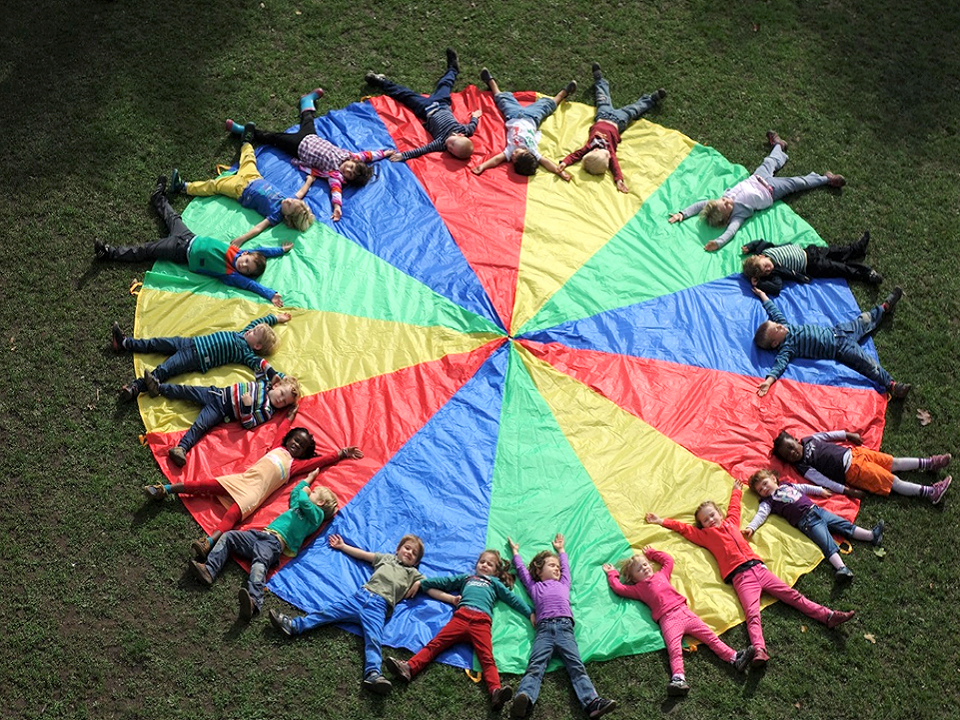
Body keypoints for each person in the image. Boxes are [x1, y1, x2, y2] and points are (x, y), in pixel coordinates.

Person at [646, 481, 855, 668]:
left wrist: (736, 491)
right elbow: (683, 529)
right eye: (705, 520)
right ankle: (759, 649)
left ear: (719, 513)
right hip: (741, 577)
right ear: (702, 525)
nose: (710, 520)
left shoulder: (731, 522)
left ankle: (827, 616)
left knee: (793, 596)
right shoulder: (705, 536)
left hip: (760, 569)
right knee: (752, 614)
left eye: (712, 515)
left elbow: (734, 508)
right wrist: (661, 521)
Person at [142, 424, 362, 558]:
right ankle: (166, 489)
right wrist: (290, 413)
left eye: (302, 446)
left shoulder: (293, 466)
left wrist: (341, 453)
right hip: (242, 479)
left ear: (304, 453)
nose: (297, 445)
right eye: (296, 440)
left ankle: (208, 542)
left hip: (254, 494)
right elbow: (283, 428)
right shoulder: (277, 448)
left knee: (232, 515)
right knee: (204, 485)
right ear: (289, 439)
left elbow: (319, 461)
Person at [94, 177, 292, 307]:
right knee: (172, 217)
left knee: (147, 250)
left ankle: (109, 252)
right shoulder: (238, 252)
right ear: (246, 255)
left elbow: (250, 286)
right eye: (246, 262)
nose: (243, 266)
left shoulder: (230, 274)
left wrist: (270, 294)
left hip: (180, 251)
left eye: (246, 270)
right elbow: (261, 250)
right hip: (189, 236)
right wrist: (280, 250)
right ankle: (158, 197)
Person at [269, 534, 428, 695]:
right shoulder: (386, 558)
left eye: (414, 553)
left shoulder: (413, 574)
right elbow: (364, 555)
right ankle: (294, 625)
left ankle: (373, 674)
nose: (409, 552)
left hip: (378, 608)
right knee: (328, 612)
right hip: (360, 597)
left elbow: (432, 588)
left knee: (374, 639)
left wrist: (421, 583)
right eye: (407, 548)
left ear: (416, 562)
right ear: (398, 549)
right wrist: (343, 546)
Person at [384, 549, 534, 711]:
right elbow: (445, 582)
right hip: (461, 618)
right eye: (482, 562)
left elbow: (512, 599)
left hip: (481, 623)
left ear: (496, 572)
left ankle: (496, 692)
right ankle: (409, 668)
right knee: (435, 644)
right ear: (476, 565)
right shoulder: (467, 578)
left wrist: (530, 613)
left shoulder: (494, 583)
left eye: (489, 564)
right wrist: (422, 583)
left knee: (487, 658)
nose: (484, 565)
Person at [603, 546, 754, 696]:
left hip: (684, 612)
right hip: (668, 620)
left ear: (650, 565)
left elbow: (668, 561)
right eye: (639, 569)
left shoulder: (661, 575)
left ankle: (734, 658)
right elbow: (619, 588)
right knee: (674, 650)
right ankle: (678, 679)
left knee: (710, 637)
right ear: (633, 579)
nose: (644, 568)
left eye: (645, 564)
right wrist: (612, 574)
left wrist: (652, 553)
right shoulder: (638, 589)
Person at [189, 472, 338, 622]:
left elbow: (303, 500)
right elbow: (295, 494)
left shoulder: (316, 516)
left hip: (274, 543)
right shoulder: (298, 506)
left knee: (260, 562)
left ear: (320, 503)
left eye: (314, 492)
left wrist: (305, 492)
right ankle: (209, 569)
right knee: (230, 536)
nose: (310, 492)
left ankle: (254, 601)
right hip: (262, 535)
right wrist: (308, 480)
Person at [225, 88, 394, 222]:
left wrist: (337, 207)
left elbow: (336, 192)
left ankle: (245, 132)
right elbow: (368, 155)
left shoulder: (335, 175)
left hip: (297, 147)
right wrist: (385, 153)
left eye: (349, 174)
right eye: (351, 167)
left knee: (273, 138)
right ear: (352, 161)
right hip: (311, 137)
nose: (347, 170)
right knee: (308, 120)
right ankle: (306, 102)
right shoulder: (351, 156)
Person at [668, 131, 846, 251]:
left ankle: (779, 145)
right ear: (727, 217)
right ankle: (826, 179)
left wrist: (682, 213)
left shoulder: (721, 201)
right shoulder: (738, 215)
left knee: (770, 161)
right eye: (726, 206)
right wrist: (718, 242)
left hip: (757, 177)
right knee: (796, 182)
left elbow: (700, 205)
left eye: (723, 201)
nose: (726, 201)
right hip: (771, 190)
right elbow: (731, 232)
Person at [506, 534, 616, 719]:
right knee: (535, 666)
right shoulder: (534, 587)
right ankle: (524, 699)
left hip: (565, 629)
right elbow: (522, 572)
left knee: (576, 666)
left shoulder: (564, 583)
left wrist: (561, 550)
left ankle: (592, 702)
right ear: (538, 571)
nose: (557, 568)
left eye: (557, 566)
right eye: (551, 565)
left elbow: (566, 568)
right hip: (544, 630)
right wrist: (515, 553)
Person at [752, 284, 910, 398]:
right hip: (840, 348)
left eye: (776, 324)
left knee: (864, 320)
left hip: (840, 331)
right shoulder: (787, 348)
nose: (780, 325)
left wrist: (762, 295)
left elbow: (774, 311)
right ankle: (892, 386)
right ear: (775, 343)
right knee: (867, 364)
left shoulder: (785, 326)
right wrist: (768, 382)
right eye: (776, 329)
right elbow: (778, 366)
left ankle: (884, 308)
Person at [168, 132, 315, 243]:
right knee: (249, 159)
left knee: (214, 185)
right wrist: (309, 180)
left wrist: (241, 239)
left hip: (240, 190)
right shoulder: (291, 200)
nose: (288, 200)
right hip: (254, 177)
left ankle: (183, 186)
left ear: (287, 216)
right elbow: (301, 193)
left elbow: (258, 228)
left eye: (289, 205)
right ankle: (246, 141)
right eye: (292, 200)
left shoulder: (276, 215)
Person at [110, 312, 289, 402]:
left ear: (257, 346)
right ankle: (125, 343)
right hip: (189, 342)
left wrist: (278, 377)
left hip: (196, 357)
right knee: (156, 343)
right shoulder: (244, 333)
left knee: (164, 369)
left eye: (255, 333)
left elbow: (260, 364)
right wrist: (276, 318)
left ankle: (135, 388)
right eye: (254, 329)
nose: (251, 330)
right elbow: (258, 322)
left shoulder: (246, 354)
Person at [744, 469, 884, 582]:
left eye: (765, 483)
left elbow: (804, 487)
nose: (764, 488)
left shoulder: (788, 486)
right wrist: (751, 527)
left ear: (773, 479)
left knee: (844, 525)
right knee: (826, 542)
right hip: (807, 522)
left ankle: (871, 536)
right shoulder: (768, 502)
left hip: (817, 511)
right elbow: (760, 515)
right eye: (760, 490)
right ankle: (842, 568)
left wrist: (819, 490)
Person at [557, 62, 666, 193]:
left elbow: (576, 155)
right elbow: (615, 167)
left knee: (602, 97)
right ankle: (652, 99)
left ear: (594, 151)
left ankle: (599, 79)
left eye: (607, 156)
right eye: (609, 158)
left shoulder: (589, 146)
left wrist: (564, 162)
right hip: (619, 121)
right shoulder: (610, 151)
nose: (609, 156)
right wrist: (619, 180)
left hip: (602, 115)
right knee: (635, 109)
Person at [156, 374, 301, 467]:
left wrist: (247, 407)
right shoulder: (264, 384)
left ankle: (181, 448)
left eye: (284, 402)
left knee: (200, 425)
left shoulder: (266, 411)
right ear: (276, 386)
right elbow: (260, 368)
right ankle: (158, 387)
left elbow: (248, 423)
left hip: (221, 409)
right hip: (217, 393)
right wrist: (278, 376)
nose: (280, 400)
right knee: (187, 391)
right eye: (282, 394)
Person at [772, 429, 952, 504]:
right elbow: (823, 481)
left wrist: (848, 435)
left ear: (795, 440)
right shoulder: (803, 466)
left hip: (856, 453)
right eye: (788, 456)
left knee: (894, 462)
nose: (792, 453)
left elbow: (828, 435)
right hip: (854, 471)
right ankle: (930, 493)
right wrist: (848, 491)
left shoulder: (809, 439)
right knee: (893, 481)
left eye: (791, 447)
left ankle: (929, 463)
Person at [365, 48, 481, 162]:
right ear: (460, 135)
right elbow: (472, 126)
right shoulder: (463, 130)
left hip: (426, 109)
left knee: (404, 94)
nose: (448, 145)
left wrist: (404, 155)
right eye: (452, 144)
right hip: (442, 103)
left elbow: (424, 149)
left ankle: (381, 81)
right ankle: (453, 68)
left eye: (450, 150)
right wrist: (475, 117)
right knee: (445, 84)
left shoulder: (441, 142)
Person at [471, 68, 576, 179]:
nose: (513, 154)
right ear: (526, 152)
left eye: (513, 159)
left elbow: (496, 159)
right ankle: (563, 93)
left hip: (513, 115)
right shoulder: (532, 151)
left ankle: (491, 82)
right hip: (532, 117)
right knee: (547, 106)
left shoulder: (511, 149)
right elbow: (546, 162)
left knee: (502, 99)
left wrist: (482, 166)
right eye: (517, 153)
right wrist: (559, 172)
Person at [741, 232, 881, 297]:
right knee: (839, 268)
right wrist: (760, 283)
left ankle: (857, 249)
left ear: (761, 256)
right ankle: (866, 274)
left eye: (765, 265)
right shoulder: (775, 272)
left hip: (810, 251)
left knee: (838, 251)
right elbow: (776, 287)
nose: (768, 269)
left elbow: (759, 243)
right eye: (765, 272)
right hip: (813, 266)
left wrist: (750, 246)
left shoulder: (764, 250)